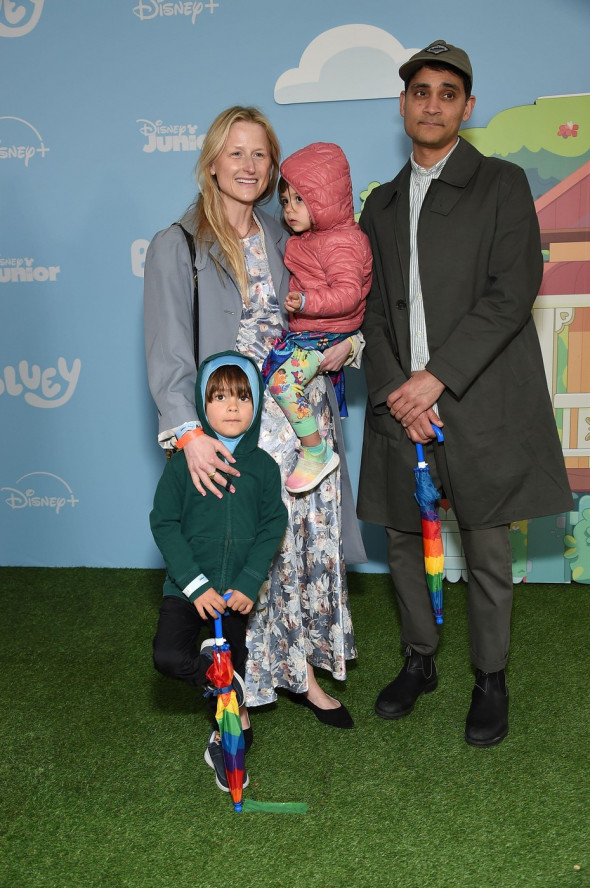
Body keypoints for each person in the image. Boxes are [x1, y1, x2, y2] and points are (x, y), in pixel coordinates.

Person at [358, 40, 573, 747]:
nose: (432, 103)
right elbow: (368, 312)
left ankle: (490, 676)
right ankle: (419, 659)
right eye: (420, 91)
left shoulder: (502, 184)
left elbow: (514, 293)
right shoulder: (380, 204)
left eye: (448, 93)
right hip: (401, 405)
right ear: (403, 103)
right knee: (399, 538)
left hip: (474, 400)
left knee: (485, 549)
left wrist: (434, 380)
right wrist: (398, 391)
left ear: (467, 107)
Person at [144, 106, 365, 733]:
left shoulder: (287, 234)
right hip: (231, 432)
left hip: (301, 420)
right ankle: (240, 680)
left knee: (294, 551)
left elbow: (341, 303)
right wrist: (189, 435)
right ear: (212, 160)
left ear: (274, 167)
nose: (248, 165)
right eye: (235, 152)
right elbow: (167, 355)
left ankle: (304, 672)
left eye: (260, 154)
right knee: (243, 554)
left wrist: (351, 345)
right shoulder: (178, 244)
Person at [150, 351, 288, 791]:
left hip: (233, 595)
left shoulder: (264, 467)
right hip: (187, 588)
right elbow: (164, 522)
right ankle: (217, 679)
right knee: (170, 657)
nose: (232, 406)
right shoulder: (182, 463)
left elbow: (273, 525)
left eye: (243, 397)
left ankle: (226, 736)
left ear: (258, 404)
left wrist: (249, 580)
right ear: (201, 405)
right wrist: (194, 585)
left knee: (235, 678)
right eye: (220, 396)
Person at [261, 142, 372, 494]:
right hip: (312, 332)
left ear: (324, 201)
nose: (290, 210)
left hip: (327, 336)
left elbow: (349, 293)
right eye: (285, 201)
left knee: (282, 384)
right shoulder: (311, 239)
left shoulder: (341, 242)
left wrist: (308, 301)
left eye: (300, 199)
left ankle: (316, 452)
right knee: (273, 380)